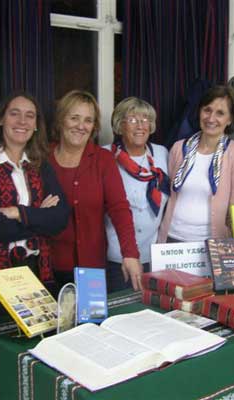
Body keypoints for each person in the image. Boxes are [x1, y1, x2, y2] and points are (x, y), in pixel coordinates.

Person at [0, 91, 69, 320]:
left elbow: (60, 218)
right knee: (2, 348)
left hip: (38, 273)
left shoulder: (41, 166)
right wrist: (38, 216)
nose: (22, 121)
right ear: (1, 119)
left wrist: (17, 213)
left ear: (35, 125)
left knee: (39, 346)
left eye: (29, 116)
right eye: (15, 114)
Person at [48, 90, 143, 292]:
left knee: (92, 322)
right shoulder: (42, 159)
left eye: (88, 120)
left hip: (92, 268)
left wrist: (130, 254)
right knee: (51, 324)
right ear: (61, 120)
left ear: (94, 127)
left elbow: (119, 209)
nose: (81, 126)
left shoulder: (103, 160)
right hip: (47, 268)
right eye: (74, 118)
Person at [158, 85, 234, 243]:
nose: (211, 118)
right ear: (199, 112)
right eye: (207, 110)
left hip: (213, 243)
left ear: (230, 120)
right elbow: (167, 193)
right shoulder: (178, 148)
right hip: (172, 238)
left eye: (220, 113)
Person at [104, 97, 169, 290]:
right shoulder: (104, 156)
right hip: (117, 257)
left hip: (154, 255)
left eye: (145, 120)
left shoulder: (162, 154)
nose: (140, 125)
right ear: (119, 125)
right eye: (132, 120)